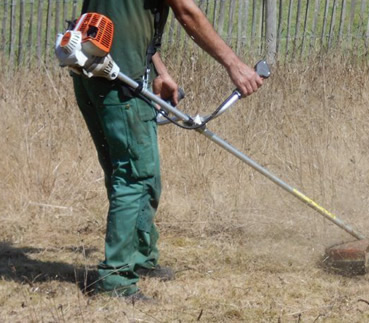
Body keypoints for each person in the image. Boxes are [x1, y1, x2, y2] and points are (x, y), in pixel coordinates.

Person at [72, 0, 263, 298]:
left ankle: (140, 258)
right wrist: (234, 65)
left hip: (91, 73)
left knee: (126, 171)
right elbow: (186, 11)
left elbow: (126, 20)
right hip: (118, 83)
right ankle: (116, 279)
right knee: (135, 177)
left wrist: (159, 70)